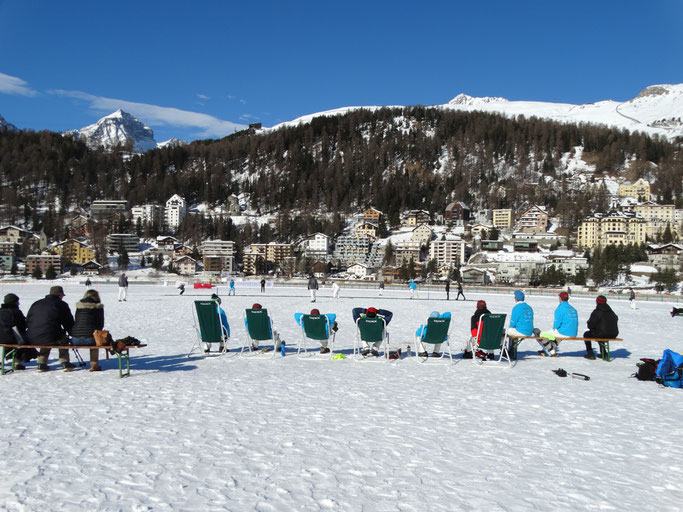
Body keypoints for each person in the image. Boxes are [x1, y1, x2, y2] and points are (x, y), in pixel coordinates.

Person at [26, 286, 75, 372]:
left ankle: (41, 363)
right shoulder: (61, 304)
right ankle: (65, 362)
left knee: (46, 335)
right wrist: (73, 333)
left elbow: (29, 319)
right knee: (60, 338)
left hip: (32, 336)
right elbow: (68, 322)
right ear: (59, 295)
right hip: (49, 336)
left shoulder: (36, 303)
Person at [70, 289, 105, 372]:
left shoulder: (79, 307)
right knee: (95, 341)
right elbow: (100, 324)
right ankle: (94, 365)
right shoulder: (98, 307)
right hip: (90, 338)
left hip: (75, 338)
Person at [0, 293, 37, 370]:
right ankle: (17, 362)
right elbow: (23, 326)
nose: (19, 303)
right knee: (23, 341)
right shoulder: (16, 312)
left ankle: (15, 361)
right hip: (11, 338)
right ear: (14, 302)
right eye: (17, 301)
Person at [539, 291, 578, 357]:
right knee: (556, 334)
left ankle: (551, 351)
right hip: (573, 333)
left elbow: (556, 324)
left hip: (565, 333)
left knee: (541, 334)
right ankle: (549, 348)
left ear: (560, 298)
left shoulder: (560, 308)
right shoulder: (573, 309)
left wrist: (554, 330)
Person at [583, 295, 619, 360]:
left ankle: (590, 353)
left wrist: (589, 323)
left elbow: (590, 325)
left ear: (597, 302)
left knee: (587, 334)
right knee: (600, 333)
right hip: (614, 334)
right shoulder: (611, 312)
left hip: (602, 333)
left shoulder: (597, 311)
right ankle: (604, 353)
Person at [506, 290, 535, 360]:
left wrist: (510, 328)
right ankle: (512, 350)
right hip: (530, 330)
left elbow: (513, 323)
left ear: (516, 298)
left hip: (521, 331)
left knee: (507, 331)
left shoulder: (516, 308)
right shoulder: (529, 307)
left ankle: (510, 351)